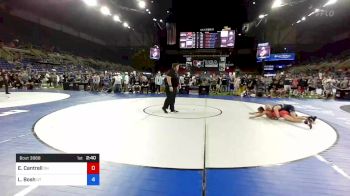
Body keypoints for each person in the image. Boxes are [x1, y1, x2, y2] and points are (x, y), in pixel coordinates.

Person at [249, 107, 315, 129]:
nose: (258, 112)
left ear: (261, 110)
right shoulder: (266, 111)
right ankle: (309, 118)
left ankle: (306, 120)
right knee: (295, 117)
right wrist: (253, 113)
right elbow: (259, 113)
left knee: (293, 119)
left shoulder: (265, 112)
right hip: (282, 112)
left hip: (282, 113)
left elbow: (260, 114)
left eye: (258, 111)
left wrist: (253, 116)